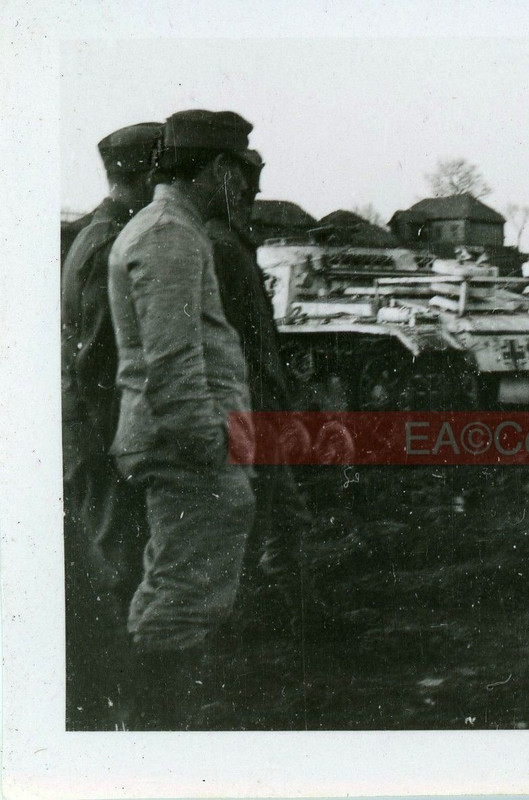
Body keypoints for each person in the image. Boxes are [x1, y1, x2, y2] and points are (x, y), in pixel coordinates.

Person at [108, 109, 259, 729]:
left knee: (182, 585)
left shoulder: (173, 228)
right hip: (184, 447)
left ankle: (165, 724)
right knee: (179, 594)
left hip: (184, 442)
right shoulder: (168, 233)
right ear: (217, 168)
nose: (245, 187)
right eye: (238, 171)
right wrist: (210, 450)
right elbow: (171, 362)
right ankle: (160, 738)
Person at [60, 121, 160, 729]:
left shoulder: (99, 235)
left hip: (93, 430)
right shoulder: (107, 245)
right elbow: (99, 361)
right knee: (116, 559)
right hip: (99, 434)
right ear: (148, 175)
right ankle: (122, 702)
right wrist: (121, 445)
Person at [205, 149, 315, 628]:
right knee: (253, 517)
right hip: (247, 406)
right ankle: (245, 620)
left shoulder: (232, 243)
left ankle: (297, 612)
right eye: (247, 182)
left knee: (283, 514)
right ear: (226, 181)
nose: (254, 192)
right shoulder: (222, 246)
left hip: (261, 404)